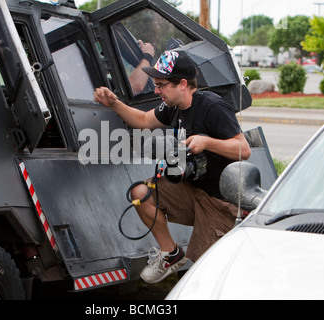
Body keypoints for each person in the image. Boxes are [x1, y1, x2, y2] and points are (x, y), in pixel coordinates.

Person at [94, 50, 251, 284]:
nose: (156, 91)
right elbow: (144, 121)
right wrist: (114, 103)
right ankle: (171, 254)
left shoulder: (213, 107)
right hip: (192, 190)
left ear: (183, 84)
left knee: (208, 273)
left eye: (161, 85)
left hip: (219, 202)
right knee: (141, 194)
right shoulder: (172, 107)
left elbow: (243, 149)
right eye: (155, 84)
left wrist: (207, 142)